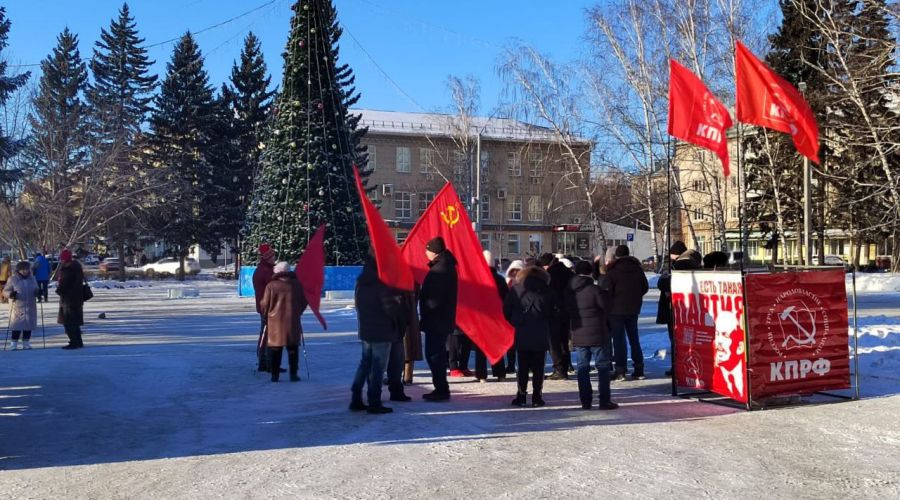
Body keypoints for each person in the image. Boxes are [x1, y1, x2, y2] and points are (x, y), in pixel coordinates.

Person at [351, 255, 410, 414]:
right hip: (382, 331)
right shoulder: (382, 285)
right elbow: (391, 309)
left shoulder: (362, 282)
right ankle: (374, 401)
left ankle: (356, 397)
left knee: (365, 364)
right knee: (378, 368)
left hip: (366, 330)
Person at [565, 261, 618, 410]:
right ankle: (604, 400)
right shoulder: (595, 290)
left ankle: (586, 401)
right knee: (602, 367)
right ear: (589, 273)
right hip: (598, 334)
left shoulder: (569, 291)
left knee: (582, 367)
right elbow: (607, 307)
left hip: (579, 334)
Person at [504, 265, 554, 407]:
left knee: (523, 366)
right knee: (539, 367)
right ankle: (537, 397)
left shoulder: (516, 289)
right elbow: (554, 311)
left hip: (522, 331)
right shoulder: (547, 290)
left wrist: (515, 321)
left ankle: (521, 395)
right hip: (541, 332)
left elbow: (506, 309)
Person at [419, 237, 458, 402]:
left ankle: (441, 388)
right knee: (435, 354)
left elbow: (435, 298)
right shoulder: (444, 266)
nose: (425, 252)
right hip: (439, 318)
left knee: (434, 354)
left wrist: (426, 304)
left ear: (433, 251)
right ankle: (440, 387)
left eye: (426, 249)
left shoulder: (441, 269)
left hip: (436, 319)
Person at [606, 245, 649, 380]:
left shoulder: (612, 271)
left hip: (616, 310)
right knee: (634, 338)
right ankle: (639, 368)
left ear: (616, 256)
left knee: (619, 340)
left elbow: (608, 292)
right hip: (633, 309)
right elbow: (645, 287)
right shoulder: (637, 269)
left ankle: (620, 370)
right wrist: (635, 298)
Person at [259, 261, 307, 382]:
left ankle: (275, 375)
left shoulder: (271, 285)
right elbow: (304, 301)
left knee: (276, 349)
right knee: (293, 349)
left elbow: (264, 304)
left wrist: (266, 315)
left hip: (275, 322)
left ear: (278, 272)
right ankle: (293, 374)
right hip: (293, 321)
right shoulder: (297, 284)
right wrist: (298, 312)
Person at [474, 250, 509, 382]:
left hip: (481, 318)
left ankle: (481, 375)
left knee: (481, 348)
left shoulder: (477, 279)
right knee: (496, 347)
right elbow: (506, 298)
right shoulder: (500, 279)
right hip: (496, 318)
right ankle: (500, 373)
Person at [539, 253, 574, 380]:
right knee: (564, 341)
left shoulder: (550, 275)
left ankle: (559, 369)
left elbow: (546, 294)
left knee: (554, 342)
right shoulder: (567, 272)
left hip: (554, 312)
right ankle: (565, 367)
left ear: (546, 265)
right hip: (567, 311)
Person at [657, 241, 689, 376]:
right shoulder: (694, 264)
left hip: (674, 308)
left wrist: (664, 281)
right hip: (687, 308)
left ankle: (677, 367)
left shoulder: (678, 266)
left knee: (675, 339)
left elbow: (664, 283)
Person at [3, 261, 39, 350]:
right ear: (18, 270)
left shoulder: (32, 278)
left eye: (27, 269)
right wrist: (11, 294)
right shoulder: (12, 279)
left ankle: (26, 342)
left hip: (30, 304)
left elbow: (36, 288)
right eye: (23, 269)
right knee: (16, 325)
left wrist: (38, 292)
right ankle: (13, 343)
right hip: (17, 306)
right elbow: (5, 291)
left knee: (28, 324)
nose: (25, 271)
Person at [253, 243, 276, 372]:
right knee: (269, 336)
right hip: (269, 307)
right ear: (268, 257)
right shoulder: (266, 271)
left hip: (265, 307)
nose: (274, 257)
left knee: (265, 334)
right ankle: (268, 364)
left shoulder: (262, 269)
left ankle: (263, 362)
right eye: (273, 255)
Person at [56, 249, 85, 349]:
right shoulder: (77, 267)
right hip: (77, 298)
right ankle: (78, 341)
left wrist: (58, 291)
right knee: (75, 322)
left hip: (68, 299)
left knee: (68, 322)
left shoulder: (67, 269)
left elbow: (64, 284)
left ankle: (74, 341)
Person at [503, 259, 525, 373]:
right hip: (512, 318)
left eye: (518, 270)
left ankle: (524, 365)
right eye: (514, 271)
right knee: (511, 344)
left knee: (523, 344)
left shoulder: (526, 284)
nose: (516, 273)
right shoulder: (508, 282)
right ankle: (511, 364)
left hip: (524, 317)